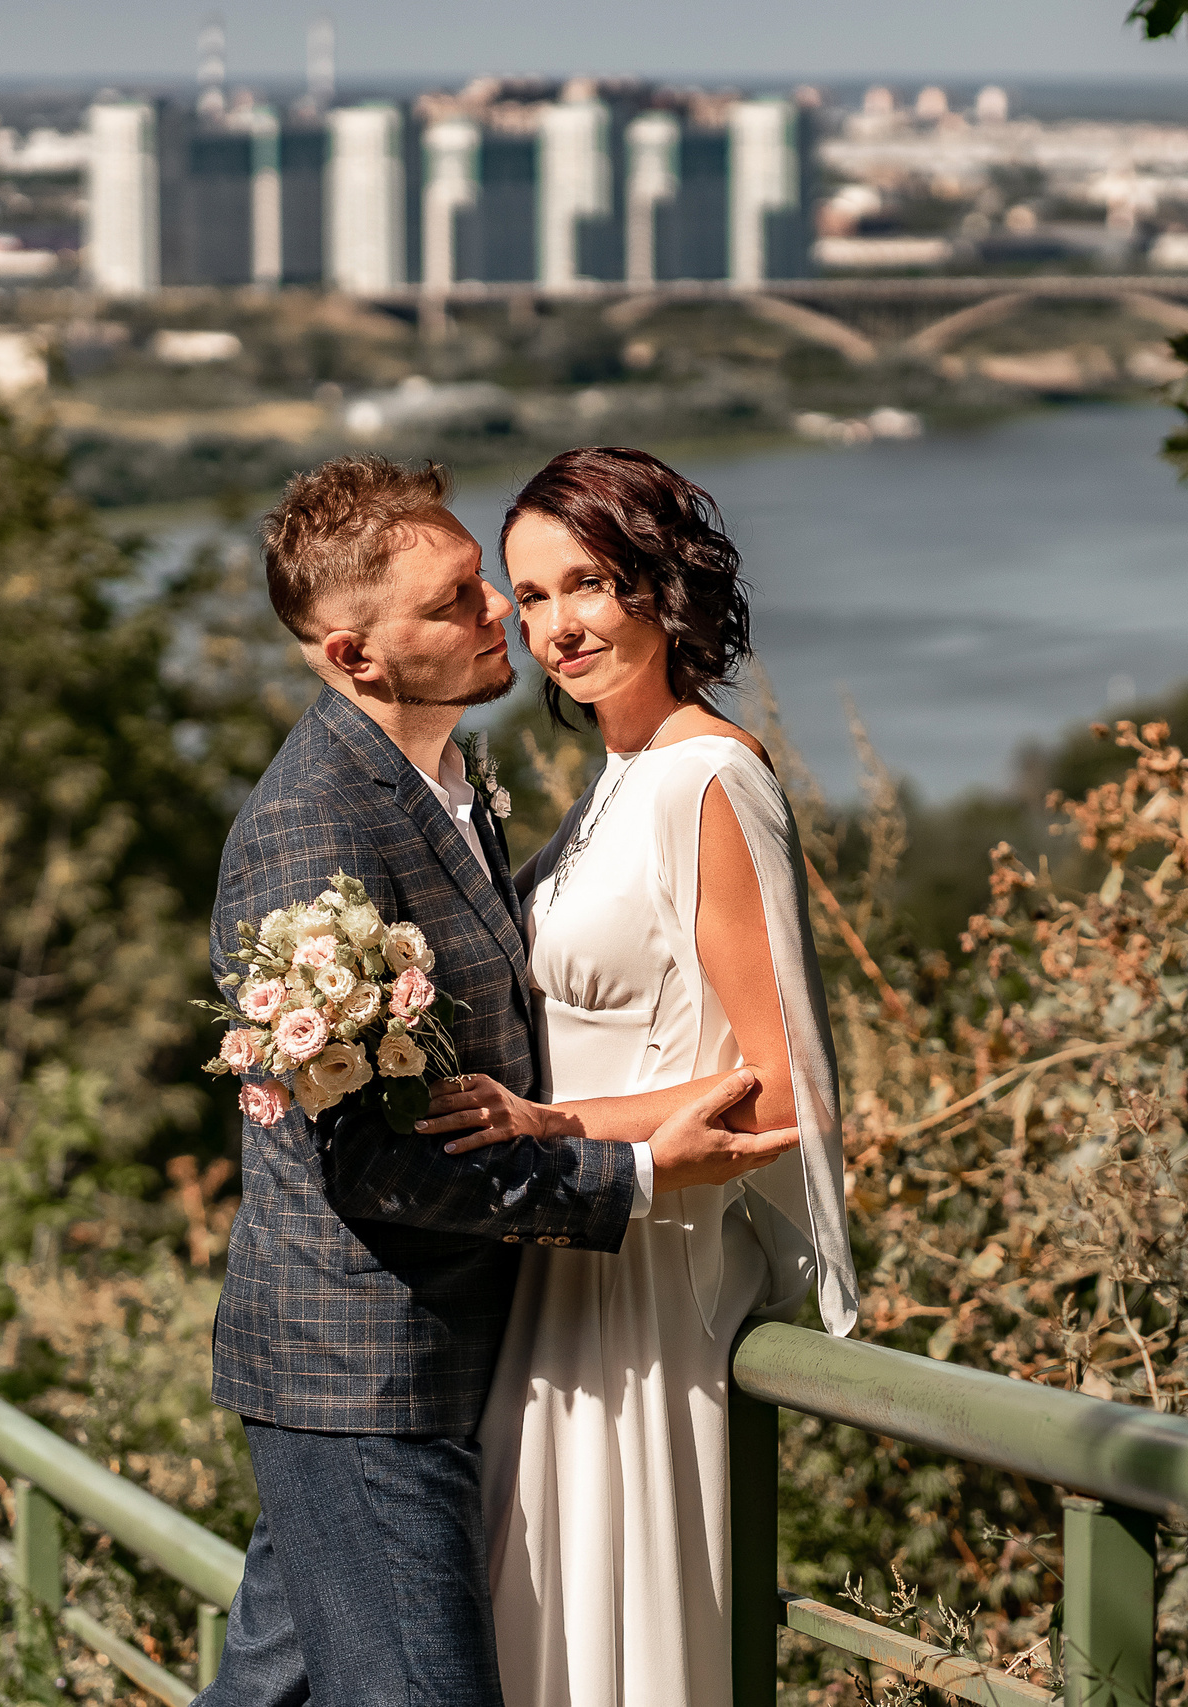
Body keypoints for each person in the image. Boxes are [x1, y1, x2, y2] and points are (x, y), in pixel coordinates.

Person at [196, 454, 802, 1707]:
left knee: (270, 1695)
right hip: (368, 1375)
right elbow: (371, 1162)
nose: (502, 618)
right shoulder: (314, 829)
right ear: (356, 656)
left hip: (456, 1354)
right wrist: (631, 1170)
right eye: (458, 602)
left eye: (488, 583)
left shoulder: (444, 786)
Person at [418, 447, 857, 1707]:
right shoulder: (616, 777)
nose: (557, 626)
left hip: (647, 1288)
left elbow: (780, 1092)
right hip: (563, 1271)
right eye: (531, 595)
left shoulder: (709, 779)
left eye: (587, 584)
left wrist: (550, 1123)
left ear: (660, 582)